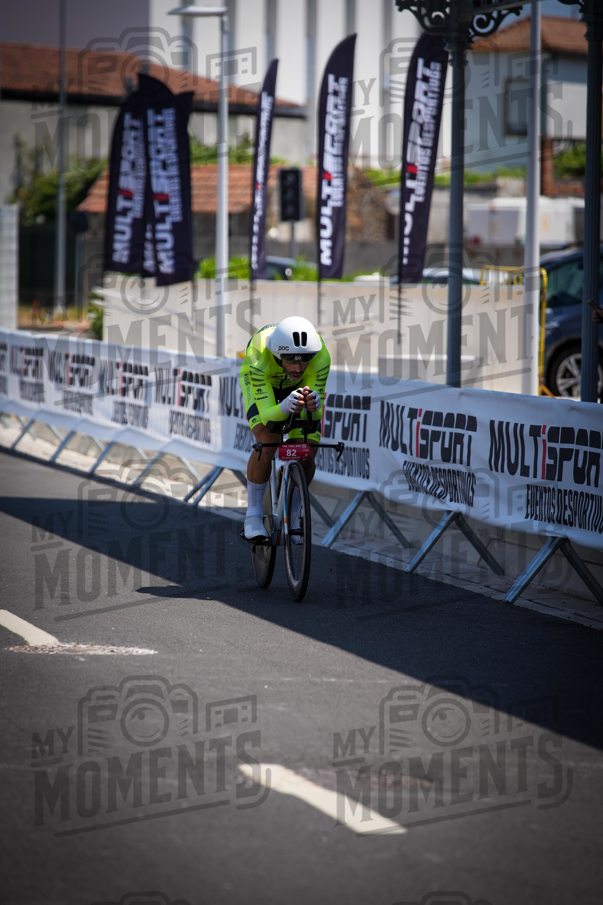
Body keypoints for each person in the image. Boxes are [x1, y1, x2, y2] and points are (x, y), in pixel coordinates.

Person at [239, 316, 331, 541]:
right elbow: (269, 416)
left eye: (304, 359)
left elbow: (315, 416)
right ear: (278, 355)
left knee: (307, 451)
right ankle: (253, 515)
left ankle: (295, 508)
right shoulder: (257, 356)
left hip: (295, 389)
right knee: (267, 443)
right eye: (290, 359)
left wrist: (315, 404)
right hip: (265, 388)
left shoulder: (321, 357)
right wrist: (283, 406)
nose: (298, 367)